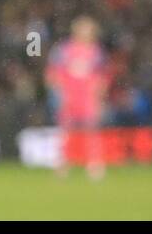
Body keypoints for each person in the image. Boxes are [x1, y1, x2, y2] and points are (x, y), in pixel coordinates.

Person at [47, 16, 111, 180]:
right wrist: (60, 94)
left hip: (88, 98)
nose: (87, 33)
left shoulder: (97, 52)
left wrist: (98, 98)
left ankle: (94, 165)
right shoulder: (63, 50)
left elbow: (103, 77)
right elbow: (53, 74)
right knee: (66, 133)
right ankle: (62, 165)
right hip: (69, 98)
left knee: (92, 133)